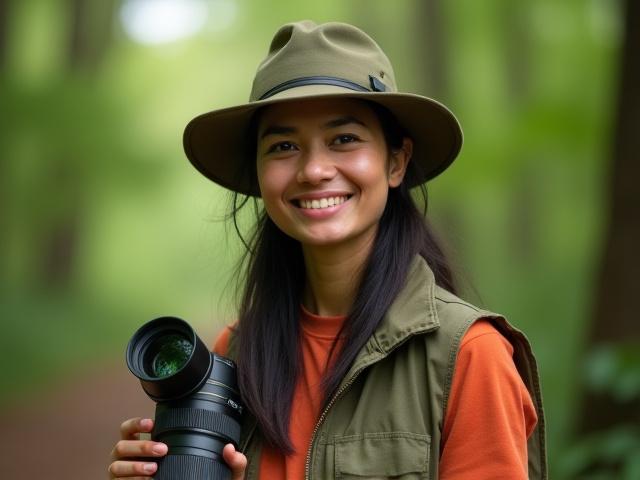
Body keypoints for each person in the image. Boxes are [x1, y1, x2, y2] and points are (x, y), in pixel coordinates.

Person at [108, 20, 546, 479]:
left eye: (344, 139)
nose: (314, 169)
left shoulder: (470, 356)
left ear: (395, 161)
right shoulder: (235, 355)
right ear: (260, 175)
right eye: (283, 145)